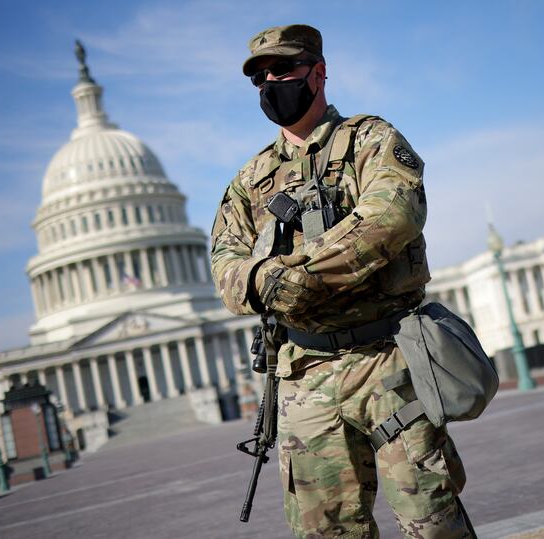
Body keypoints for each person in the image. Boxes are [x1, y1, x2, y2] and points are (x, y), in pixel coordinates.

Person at [211, 24, 473, 538]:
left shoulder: (370, 140)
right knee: (326, 533)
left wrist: (301, 276)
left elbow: (392, 215)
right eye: (260, 78)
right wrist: (264, 280)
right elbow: (226, 266)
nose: (270, 83)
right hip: (303, 377)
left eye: (282, 69)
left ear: (318, 72)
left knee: (433, 522)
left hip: (386, 362)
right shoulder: (249, 181)